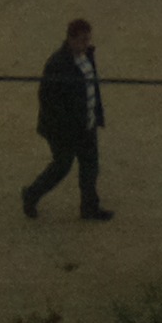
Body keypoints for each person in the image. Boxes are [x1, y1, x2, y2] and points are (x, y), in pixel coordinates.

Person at [21, 16, 111, 220]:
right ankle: (31, 194)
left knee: (90, 167)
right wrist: (65, 126)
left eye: (87, 39)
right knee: (61, 166)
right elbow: (48, 100)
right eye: (82, 40)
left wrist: (93, 116)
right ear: (70, 39)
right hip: (64, 130)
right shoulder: (57, 64)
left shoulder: (86, 57)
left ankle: (89, 207)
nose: (86, 44)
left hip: (86, 124)